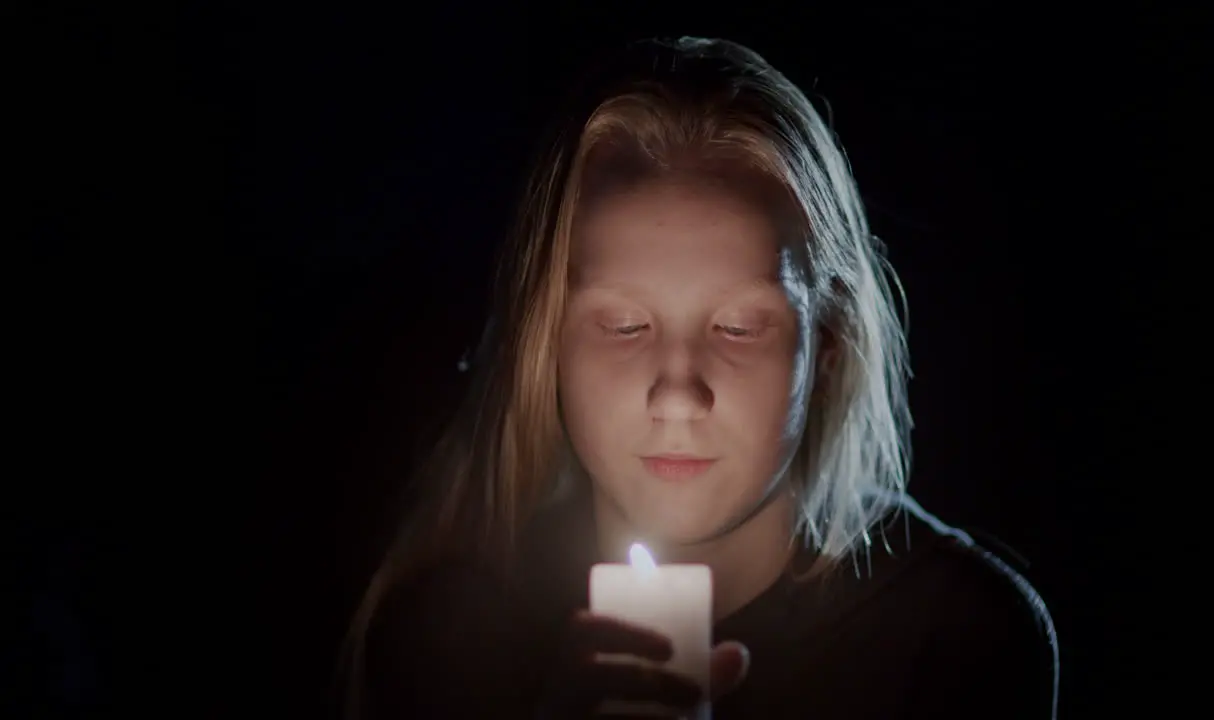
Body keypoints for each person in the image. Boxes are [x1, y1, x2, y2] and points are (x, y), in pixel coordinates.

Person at [342, 36, 1058, 720]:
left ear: (830, 340)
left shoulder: (955, 643)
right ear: (546, 339)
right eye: (625, 327)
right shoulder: (448, 641)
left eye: (739, 329)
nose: (678, 394)